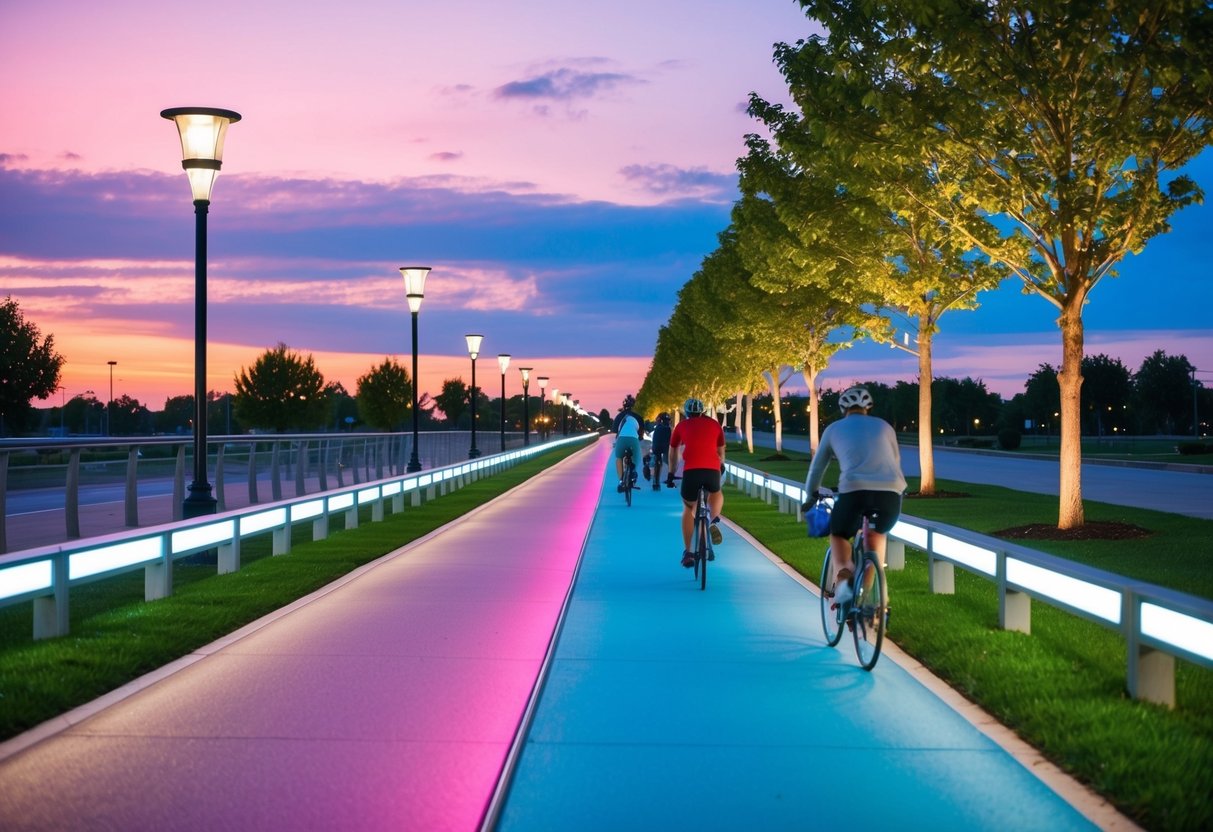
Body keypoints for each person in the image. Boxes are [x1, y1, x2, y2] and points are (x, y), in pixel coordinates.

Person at [803, 386, 906, 606]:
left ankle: (843, 585)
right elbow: (895, 462)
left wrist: (810, 494)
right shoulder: (885, 427)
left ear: (843, 408)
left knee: (839, 533)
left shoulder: (833, 429)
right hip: (890, 494)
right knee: (876, 538)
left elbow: (817, 468)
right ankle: (866, 601)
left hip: (855, 490)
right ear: (868, 408)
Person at [669, 397, 725, 567]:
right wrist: (720, 466)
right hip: (712, 471)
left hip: (691, 471)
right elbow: (721, 452)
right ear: (702, 412)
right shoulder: (715, 425)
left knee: (688, 507)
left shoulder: (681, 426)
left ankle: (689, 552)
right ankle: (713, 519)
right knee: (716, 493)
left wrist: (671, 474)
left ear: (686, 413)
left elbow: (673, 453)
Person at [612, 394, 645, 492]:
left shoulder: (619, 416)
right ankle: (633, 471)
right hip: (633, 439)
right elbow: (641, 433)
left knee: (618, 457)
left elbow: (614, 430)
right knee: (637, 457)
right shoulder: (638, 417)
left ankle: (621, 481)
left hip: (621, 439)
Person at [647, 412, 673, 491]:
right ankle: (670, 476)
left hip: (657, 447)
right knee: (669, 460)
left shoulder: (657, 427)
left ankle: (655, 480)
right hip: (666, 447)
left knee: (657, 460)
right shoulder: (668, 428)